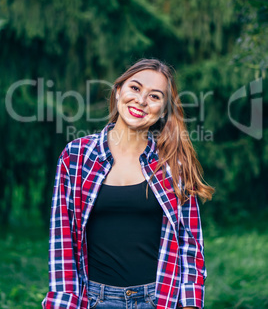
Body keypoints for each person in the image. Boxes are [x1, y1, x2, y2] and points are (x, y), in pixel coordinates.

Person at [42, 58, 214, 309]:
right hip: (93, 300)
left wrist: (189, 304)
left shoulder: (172, 163)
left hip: (159, 300)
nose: (141, 101)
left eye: (154, 96)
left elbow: (190, 245)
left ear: (163, 109)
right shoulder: (76, 156)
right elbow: (63, 243)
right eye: (135, 88)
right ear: (118, 90)